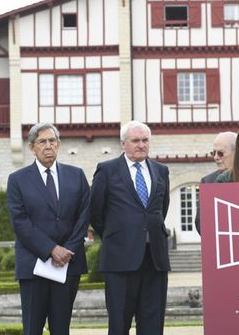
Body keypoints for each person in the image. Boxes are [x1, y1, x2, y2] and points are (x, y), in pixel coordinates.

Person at [6, 123, 90, 335]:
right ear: (32, 147)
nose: (48, 146)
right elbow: (20, 222)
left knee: (61, 329)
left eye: (52, 141)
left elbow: (84, 216)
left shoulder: (77, 175)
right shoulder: (17, 180)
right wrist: (52, 249)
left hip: (68, 265)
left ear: (59, 145)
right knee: (32, 329)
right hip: (34, 265)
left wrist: (66, 251)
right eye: (42, 142)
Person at [90, 120, 170, 335]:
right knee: (119, 323)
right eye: (135, 140)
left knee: (153, 324)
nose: (141, 145)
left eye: (145, 140)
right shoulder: (106, 170)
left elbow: (161, 210)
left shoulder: (161, 171)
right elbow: (95, 212)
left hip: (155, 259)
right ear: (123, 143)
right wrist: (117, 236)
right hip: (119, 260)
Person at [195, 131, 236, 234]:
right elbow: (200, 223)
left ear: (236, 152)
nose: (216, 157)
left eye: (220, 153)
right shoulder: (208, 182)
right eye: (213, 153)